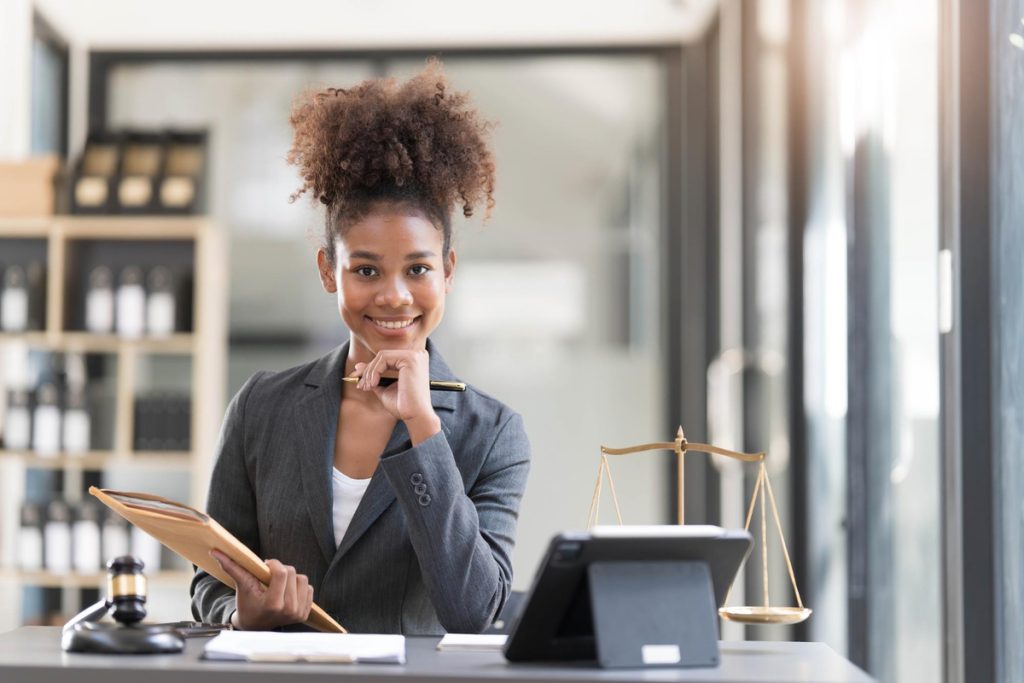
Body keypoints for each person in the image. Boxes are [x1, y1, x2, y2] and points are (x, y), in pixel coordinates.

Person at [190, 61, 531, 635]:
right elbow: (211, 578)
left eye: (417, 268)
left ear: (447, 271)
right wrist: (238, 613)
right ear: (330, 271)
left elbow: (475, 612)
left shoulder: (491, 432)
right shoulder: (261, 406)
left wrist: (423, 426)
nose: (395, 296)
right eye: (366, 269)